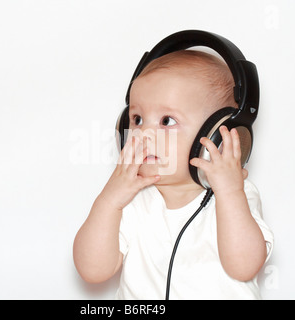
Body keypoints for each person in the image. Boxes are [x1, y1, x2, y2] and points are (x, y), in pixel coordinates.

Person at [73, 50, 274, 299]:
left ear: (215, 135)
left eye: (166, 121)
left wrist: (229, 192)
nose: (144, 133)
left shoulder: (237, 196)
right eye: (136, 119)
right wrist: (108, 201)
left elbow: (243, 267)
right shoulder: (132, 200)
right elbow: (92, 271)